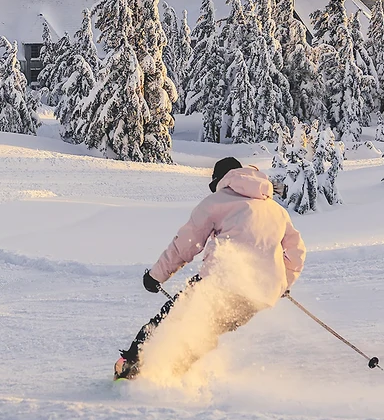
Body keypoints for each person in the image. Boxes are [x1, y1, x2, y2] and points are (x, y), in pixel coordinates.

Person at [114, 156, 306, 380]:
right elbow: (297, 253)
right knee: (207, 331)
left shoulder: (216, 202)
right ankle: (172, 373)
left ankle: (132, 367)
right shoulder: (276, 210)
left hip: (221, 285)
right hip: (258, 297)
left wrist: (156, 276)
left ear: (221, 180)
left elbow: (185, 245)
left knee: (169, 319)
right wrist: (281, 283)